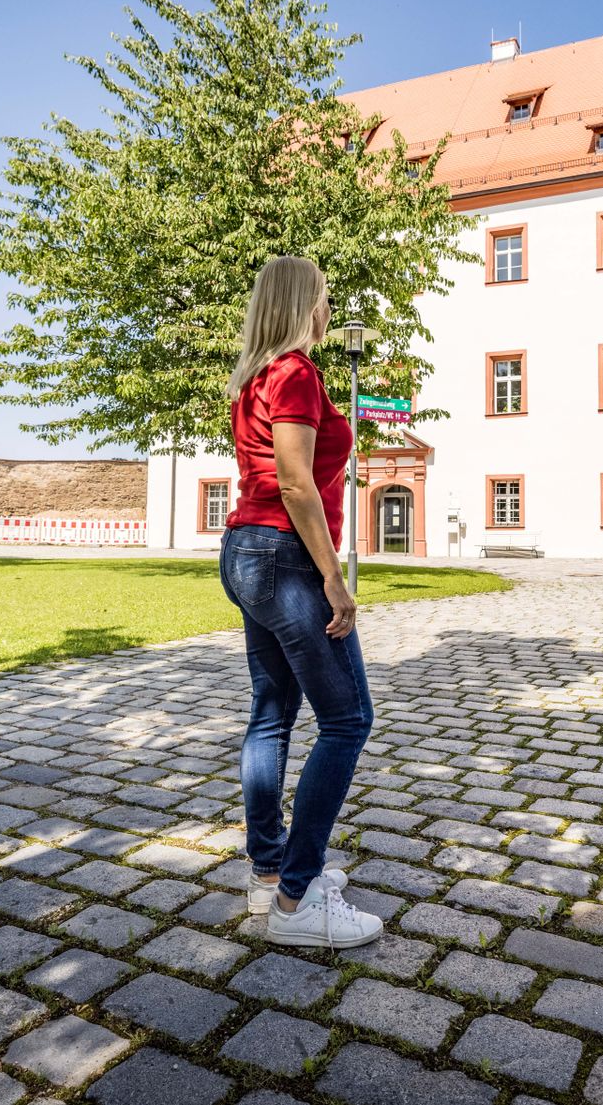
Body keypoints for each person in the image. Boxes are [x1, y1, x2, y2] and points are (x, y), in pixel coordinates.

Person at [219, 256, 381, 948]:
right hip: (284, 554)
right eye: (322, 299)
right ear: (302, 305)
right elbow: (294, 483)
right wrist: (333, 579)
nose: (326, 310)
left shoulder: (254, 376)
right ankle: (297, 898)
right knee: (348, 718)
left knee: (273, 714)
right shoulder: (295, 372)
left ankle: (268, 871)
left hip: (250, 551)